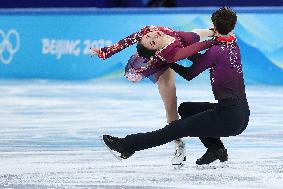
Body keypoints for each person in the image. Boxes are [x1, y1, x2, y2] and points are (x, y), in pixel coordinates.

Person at [101, 7, 250, 165]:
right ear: (232, 27)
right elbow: (204, 60)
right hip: (239, 113)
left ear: (213, 24)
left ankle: (128, 145)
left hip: (228, 118)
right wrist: (174, 55)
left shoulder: (216, 50)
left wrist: (168, 62)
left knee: (175, 129)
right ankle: (215, 148)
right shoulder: (232, 44)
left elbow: (189, 74)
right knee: (186, 109)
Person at [91, 25, 215, 166]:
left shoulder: (148, 30)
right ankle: (180, 146)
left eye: (150, 36)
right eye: (151, 41)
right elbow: (194, 51)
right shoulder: (168, 53)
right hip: (158, 63)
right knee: (171, 107)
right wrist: (215, 41)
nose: (154, 36)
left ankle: (197, 147)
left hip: (173, 48)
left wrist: (105, 52)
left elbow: (125, 42)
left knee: (195, 40)